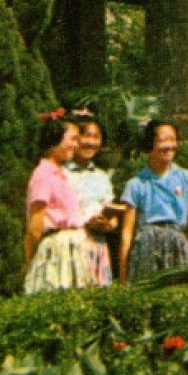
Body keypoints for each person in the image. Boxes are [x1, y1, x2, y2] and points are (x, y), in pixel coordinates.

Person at [23, 113, 98, 293]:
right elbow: (35, 225)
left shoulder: (60, 173)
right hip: (59, 249)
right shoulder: (43, 175)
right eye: (72, 139)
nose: (76, 145)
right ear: (55, 140)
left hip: (74, 247)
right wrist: (28, 261)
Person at [119, 120, 188, 281]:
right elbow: (127, 232)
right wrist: (123, 274)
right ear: (150, 144)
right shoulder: (135, 184)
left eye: (173, 139)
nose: (169, 146)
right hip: (146, 246)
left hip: (177, 245)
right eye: (163, 140)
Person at [67, 111, 122, 286]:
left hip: (99, 247)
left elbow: (112, 216)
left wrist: (109, 224)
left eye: (96, 137)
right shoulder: (61, 174)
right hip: (71, 246)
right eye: (86, 136)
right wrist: (87, 222)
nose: (91, 142)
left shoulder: (102, 177)